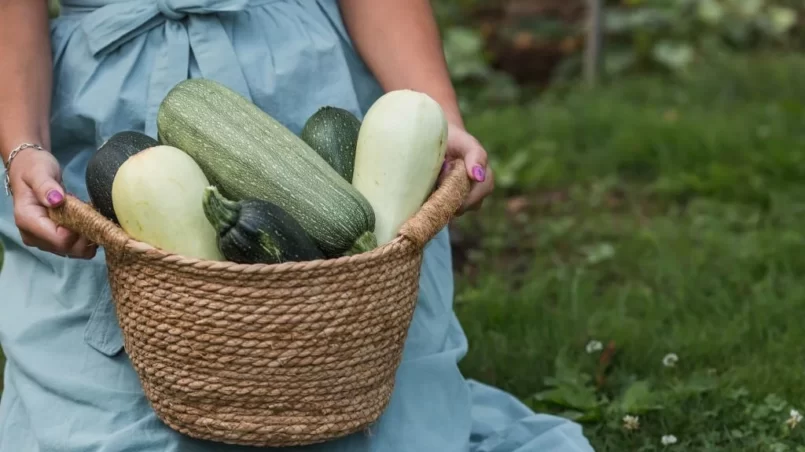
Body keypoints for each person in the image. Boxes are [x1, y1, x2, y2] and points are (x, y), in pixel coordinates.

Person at [0, 0, 595, 451]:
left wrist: (435, 117)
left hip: (300, 76)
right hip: (101, 104)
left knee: (356, 389)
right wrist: (23, 145)